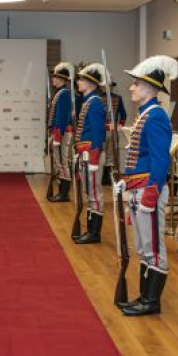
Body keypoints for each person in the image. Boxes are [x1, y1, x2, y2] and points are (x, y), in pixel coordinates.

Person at [119, 55, 177, 317]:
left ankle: (151, 301)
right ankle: (144, 297)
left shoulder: (156, 116)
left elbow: (160, 159)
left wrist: (151, 193)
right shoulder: (145, 115)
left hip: (148, 190)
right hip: (138, 188)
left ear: (151, 88)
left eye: (136, 83)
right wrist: (127, 181)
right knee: (143, 247)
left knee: (153, 247)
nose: (131, 87)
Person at [73, 63, 107, 244]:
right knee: (89, 192)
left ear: (91, 83)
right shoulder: (89, 101)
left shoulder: (94, 103)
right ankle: (90, 229)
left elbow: (97, 132)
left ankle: (95, 233)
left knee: (94, 192)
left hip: (92, 154)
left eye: (81, 79)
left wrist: (93, 157)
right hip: (85, 152)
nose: (78, 82)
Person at [47, 62, 74, 202]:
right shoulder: (60, 93)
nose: (53, 79)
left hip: (62, 132)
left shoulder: (63, 94)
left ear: (61, 79)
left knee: (63, 162)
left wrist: (57, 136)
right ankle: (62, 190)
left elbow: (62, 117)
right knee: (59, 162)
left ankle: (64, 193)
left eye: (55, 77)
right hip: (58, 132)